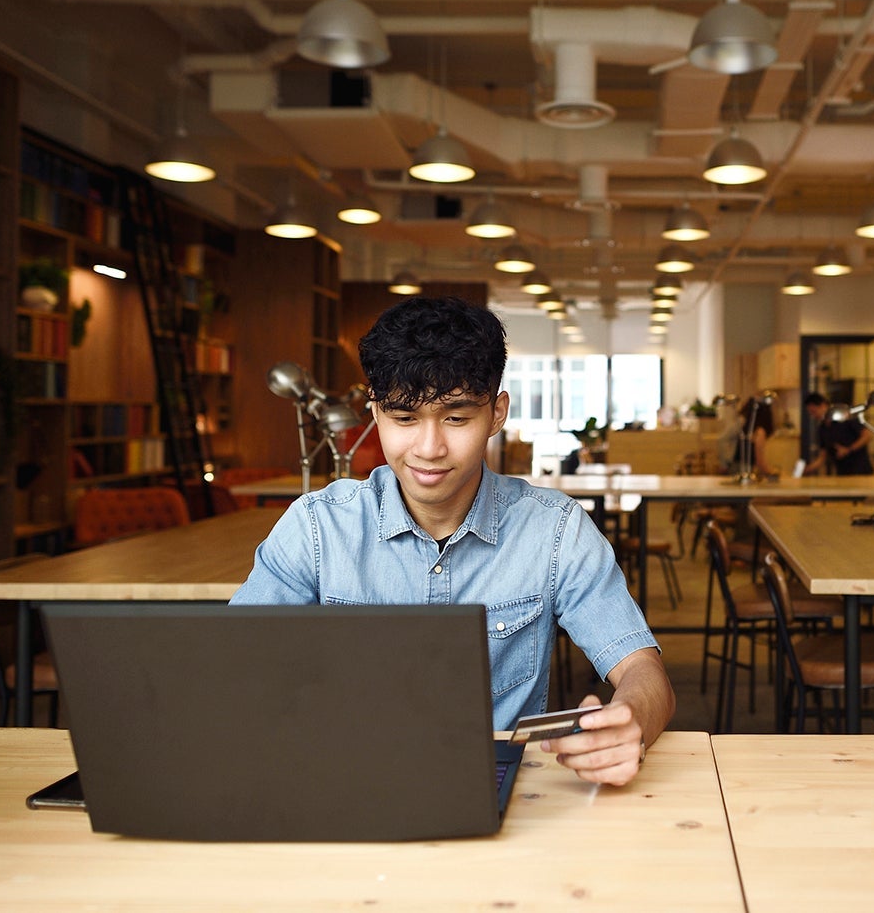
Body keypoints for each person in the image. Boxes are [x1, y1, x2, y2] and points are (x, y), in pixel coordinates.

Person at [232, 296, 674, 786]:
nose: (429, 448)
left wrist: (630, 718)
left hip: (494, 788)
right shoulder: (316, 529)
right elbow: (234, 670)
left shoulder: (555, 531)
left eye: (456, 418)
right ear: (375, 414)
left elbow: (642, 669)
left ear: (497, 413)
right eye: (404, 419)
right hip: (342, 779)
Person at [802, 392, 874, 476]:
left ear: (823, 405)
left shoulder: (845, 416)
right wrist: (807, 469)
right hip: (842, 472)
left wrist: (848, 449)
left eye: (814, 411)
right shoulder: (822, 428)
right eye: (810, 413)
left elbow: (867, 436)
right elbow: (822, 457)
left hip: (860, 470)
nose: (813, 415)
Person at [734, 396, 778, 478]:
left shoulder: (748, 429)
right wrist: (772, 473)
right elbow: (760, 461)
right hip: (746, 470)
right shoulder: (760, 431)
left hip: (736, 468)